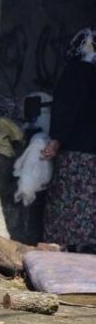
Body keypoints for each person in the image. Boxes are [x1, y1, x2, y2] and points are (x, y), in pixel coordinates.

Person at [40, 26, 96, 252]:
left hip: (77, 151)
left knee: (68, 199)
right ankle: (87, 248)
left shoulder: (76, 72)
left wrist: (55, 140)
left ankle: (61, 245)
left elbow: (67, 108)